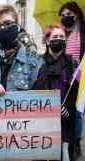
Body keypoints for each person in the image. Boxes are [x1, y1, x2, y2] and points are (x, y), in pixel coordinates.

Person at [0, 4, 43, 97]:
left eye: (8, 23)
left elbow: (42, 99)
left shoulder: (35, 62)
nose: (3, 28)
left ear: (17, 26)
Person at [33, 24, 77, 161]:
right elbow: (33, 90)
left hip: (65, 122)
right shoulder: (37, 62)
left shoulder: (72, 63)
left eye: (62, 37)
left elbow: (75, 90)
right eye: (55, 37)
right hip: (42, 122)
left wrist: (68, 108)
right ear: (47, 41)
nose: (59, 39)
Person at [59, 2, 85, 157]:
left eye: (68, 14)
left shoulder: (83, 30)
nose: (65, 18)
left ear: (76, 14)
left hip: (81, 77)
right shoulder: (62, 32)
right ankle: (66, 140)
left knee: (77, 111)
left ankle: (76, 142)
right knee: (65, 111)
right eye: (62, 15)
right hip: (66, 77)